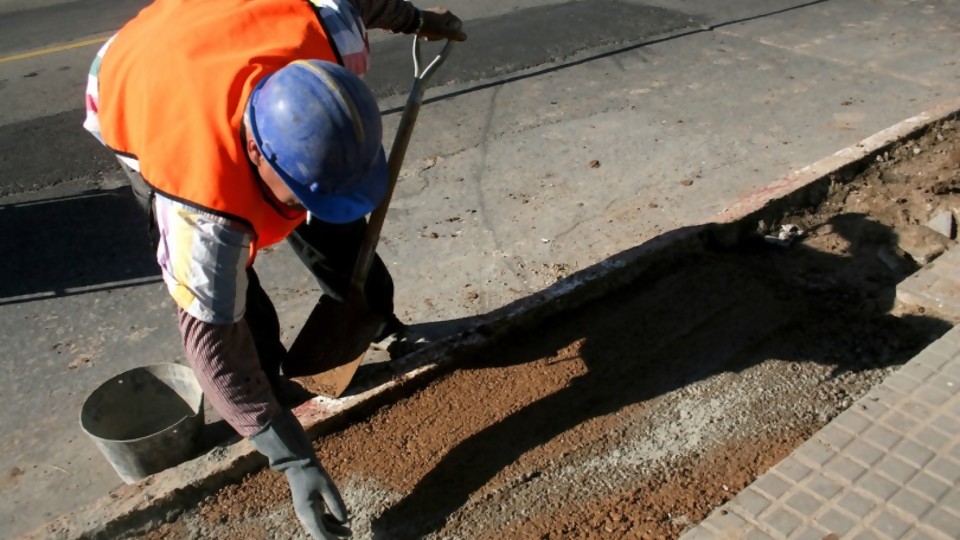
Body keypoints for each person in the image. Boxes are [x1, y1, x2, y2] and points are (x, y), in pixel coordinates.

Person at [81, 0, 466, 538]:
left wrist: (422, 21)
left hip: (225, 27)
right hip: (132, 80)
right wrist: (292, 460)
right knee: (231, 296)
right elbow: (211, 344)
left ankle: (374, 321)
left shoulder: (330, 36)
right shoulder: (200, 208)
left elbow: (364, 1)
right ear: (259, 154)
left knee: (332, 224)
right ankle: (272, 382)